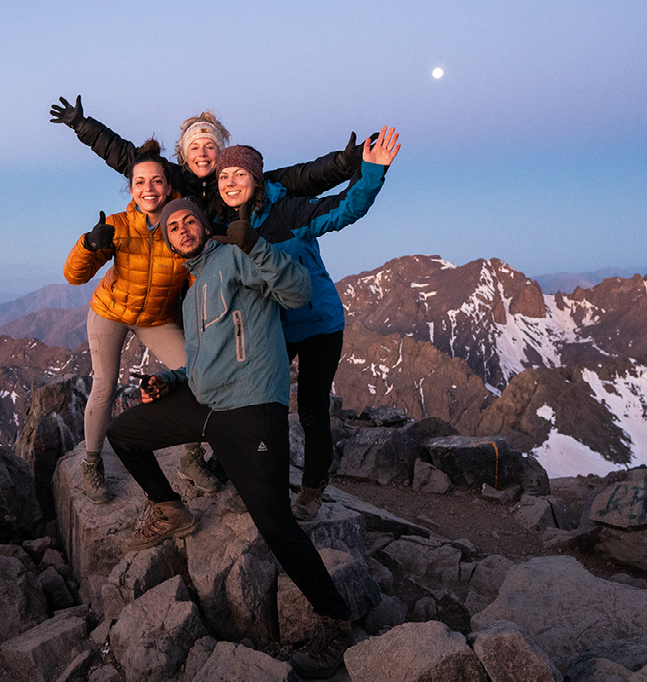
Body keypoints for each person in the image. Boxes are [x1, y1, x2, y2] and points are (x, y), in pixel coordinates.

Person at [105, 198, 354, 679]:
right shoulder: (193, 285)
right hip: (205, 403)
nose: (181, 230)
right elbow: (204, 356)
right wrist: (173, 381)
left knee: (276, 524)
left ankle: (335, 619)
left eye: (188, 221)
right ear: (170, 240)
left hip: (251, 407)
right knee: (124, 434)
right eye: (172, 227)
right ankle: (170, 508)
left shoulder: (236, 255)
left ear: (203, 225)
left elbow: (299, 291)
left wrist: (257, 244)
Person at [212, 127, 401, 520]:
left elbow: (343, 209)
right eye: (223, 177)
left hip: (317, 323)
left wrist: (371, 173)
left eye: (239, 175)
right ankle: (263, 481)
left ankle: (313, 486)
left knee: (312, 408)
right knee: (265, 408)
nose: (231, 183)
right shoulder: (221, 225)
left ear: (256, 179)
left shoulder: (288, 211)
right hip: (270, 329)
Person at [63, 140, 221, 503]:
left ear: (168, 186)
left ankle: (192, 459)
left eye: (156, 182)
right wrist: (89, 243)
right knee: (104, 384)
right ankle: (91, 462)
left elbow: (199, 277)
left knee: (200, 376)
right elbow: (74, 276)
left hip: (157, 318)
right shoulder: (118, 226)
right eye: (140, 183)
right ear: (131, 189)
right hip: (111, 311)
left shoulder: (182, 224)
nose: (149, 189)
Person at [49, 94, 366, 214]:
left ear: (221, 152)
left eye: (210, 147)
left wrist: (341, 163)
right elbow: (124, 156)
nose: (202, 154)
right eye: (194, 148)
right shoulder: (170, 178)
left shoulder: (237, 181)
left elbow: (299, 179)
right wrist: (81, 124)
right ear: (184, 156)